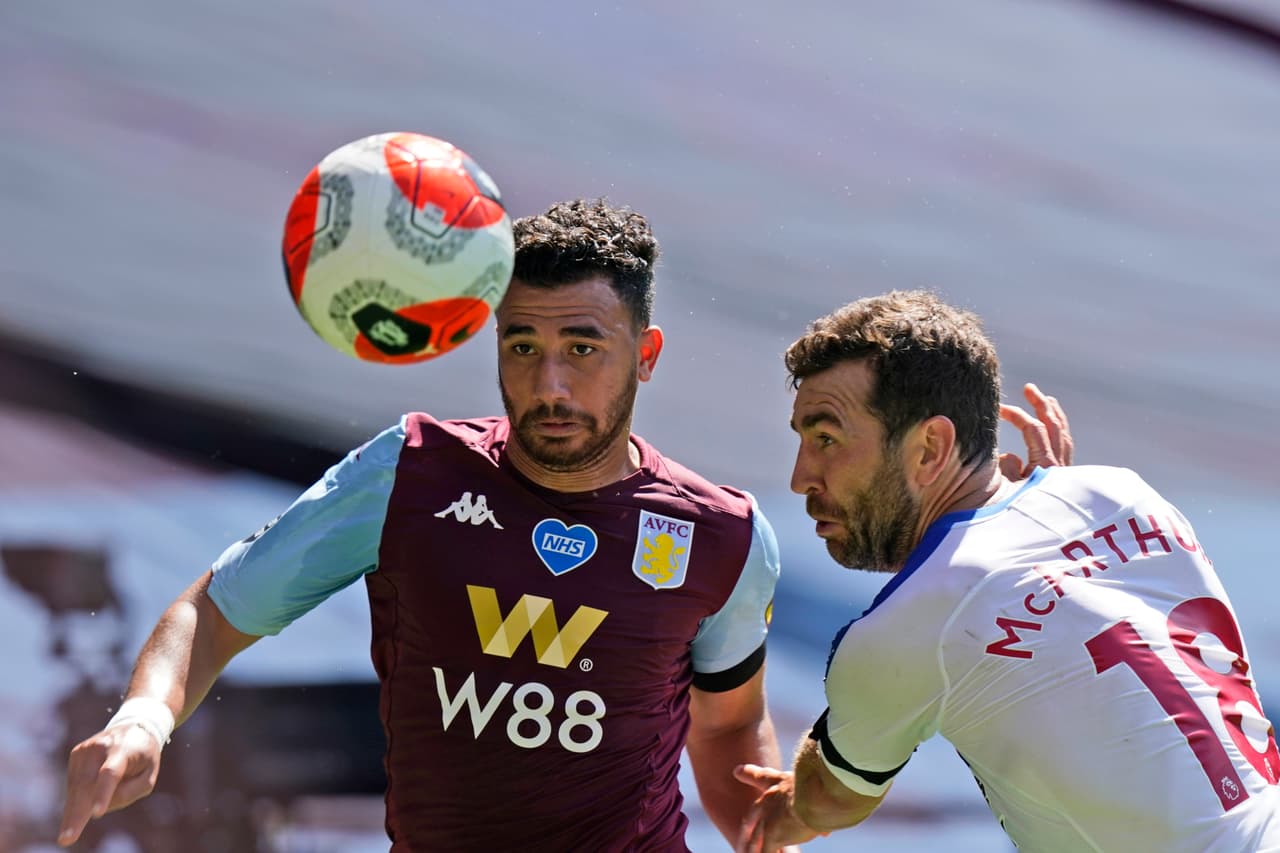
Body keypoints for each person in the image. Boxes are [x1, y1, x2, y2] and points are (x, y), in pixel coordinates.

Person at [59, 199, 793, 852]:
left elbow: (728, 726)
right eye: (522, 345)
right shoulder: (408, 474)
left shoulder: (721, 536)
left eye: (583, 347)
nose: (550, 385)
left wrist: (773, 839)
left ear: (645, 354)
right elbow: (213, 611)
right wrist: (144, 719)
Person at [733, 290, 1280, 853]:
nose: (801, 477)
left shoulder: (911, 625)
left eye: (827, 439)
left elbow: (831, 800)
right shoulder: (1123, 493)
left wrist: (789, 809)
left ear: (930, 448)